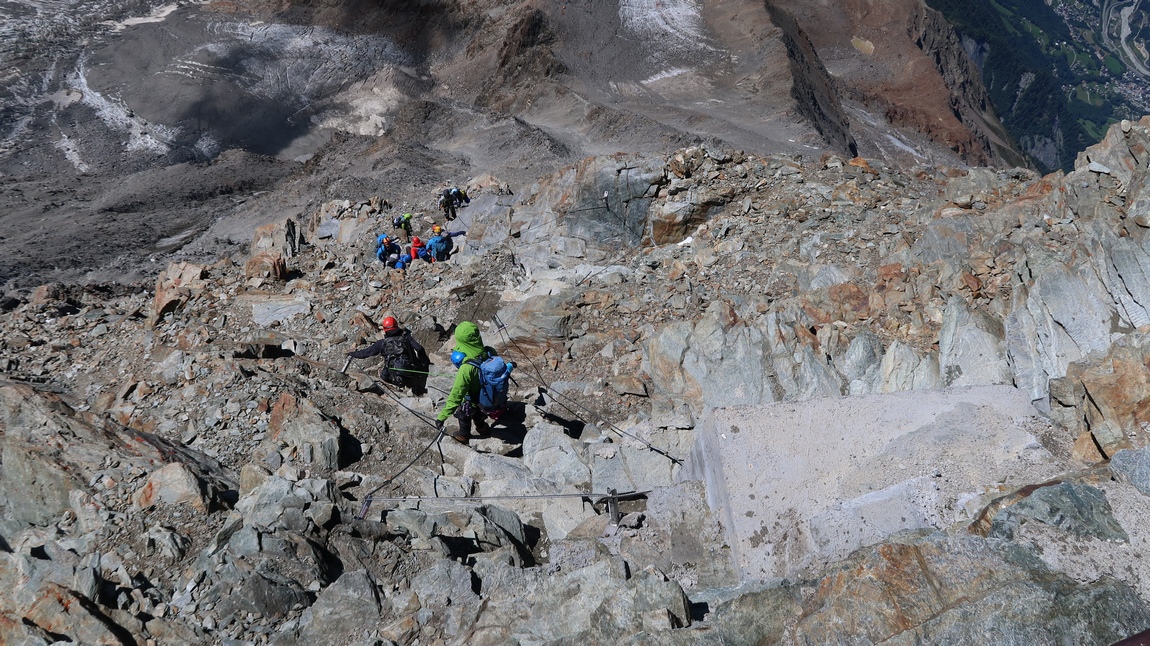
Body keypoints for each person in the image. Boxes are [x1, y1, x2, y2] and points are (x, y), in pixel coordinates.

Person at [436, 321, 498, 444]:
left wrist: (441, 417)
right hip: (486, 395)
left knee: (463, 411)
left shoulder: (466, 369)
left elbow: (456, 395)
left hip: (472, 399)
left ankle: (464, 435)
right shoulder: (489, 352)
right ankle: (482, 427)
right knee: (476, 411)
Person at [346, 316, 429, 394]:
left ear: (385, 330)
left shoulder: (382, 343)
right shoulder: (406, 338)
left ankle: (395, 387)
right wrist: (425, 363)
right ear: (396, 326)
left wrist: (352, 353)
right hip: (412, 372)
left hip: (393, 376)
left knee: (382, 374)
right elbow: (419, 349)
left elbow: (365, 353)